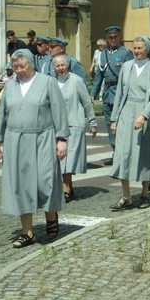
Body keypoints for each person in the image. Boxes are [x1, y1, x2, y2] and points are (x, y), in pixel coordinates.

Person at [0, 49, 68, 248]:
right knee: (21, 185)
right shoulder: (10, 86)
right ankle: (27, 232)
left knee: (46, 181)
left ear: (31, 64)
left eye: (23, 66)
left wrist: (62, 139)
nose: (19, 71)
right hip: (15, 140)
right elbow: (3, 115)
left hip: (43, 137)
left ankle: (51, 215)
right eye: (15, 67)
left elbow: (59, 111)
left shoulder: (47, 82)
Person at [108, 37, 150, 210]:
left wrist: (144, 115)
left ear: (147, 49)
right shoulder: (126, 66)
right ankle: (126, 195)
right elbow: (120, 93)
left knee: (143, 154)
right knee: (123, 153)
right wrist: (114, 118)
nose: (137, 51)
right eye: (135, 48)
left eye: (140, 48)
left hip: (143, 112)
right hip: (126, 111)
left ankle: (145, 194)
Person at [51, 55, 97, 202]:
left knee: (68, 159)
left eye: (63, 65)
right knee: (59, 159)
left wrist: (93, 122)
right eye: (57, 66)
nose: (60, 68)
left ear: (68, 65)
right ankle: (68, 188)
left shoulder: (76, 81)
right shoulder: (51, 82)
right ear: (54, 67)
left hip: (73, 124)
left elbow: (86, 103)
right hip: (56, 126)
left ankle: (65, 189)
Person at [90, 26, 133, 165]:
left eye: (115, 37)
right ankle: (115, 151)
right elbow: (99, 75)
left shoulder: (126, 53)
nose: (113, 39)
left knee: (120, 124)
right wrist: (93, 94)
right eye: (110, 37)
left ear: (119, 37)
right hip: (108, 92)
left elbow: (130, 75)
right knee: (110, 124)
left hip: (120, 92)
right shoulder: (103, 54)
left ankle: (123, 152)